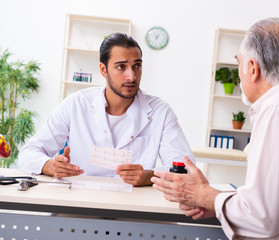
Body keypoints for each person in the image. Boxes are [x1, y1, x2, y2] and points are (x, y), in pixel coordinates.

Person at [151, 18, 279, 239]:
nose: (239, 75)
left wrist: (204, 195)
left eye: (239, 64)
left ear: (252, 68)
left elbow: (262, 217)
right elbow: (276, 200)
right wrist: (218, 204)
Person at [18, 33, 194, 187]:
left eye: (137, 66)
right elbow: (28, 153)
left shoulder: (160, 112)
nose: (131, 76)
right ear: (103, 69)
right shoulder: (76, 104)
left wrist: (149, 175)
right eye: (121, 67)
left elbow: (186, 167)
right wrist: (50, 166)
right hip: (80, 205)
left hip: (134, 209)